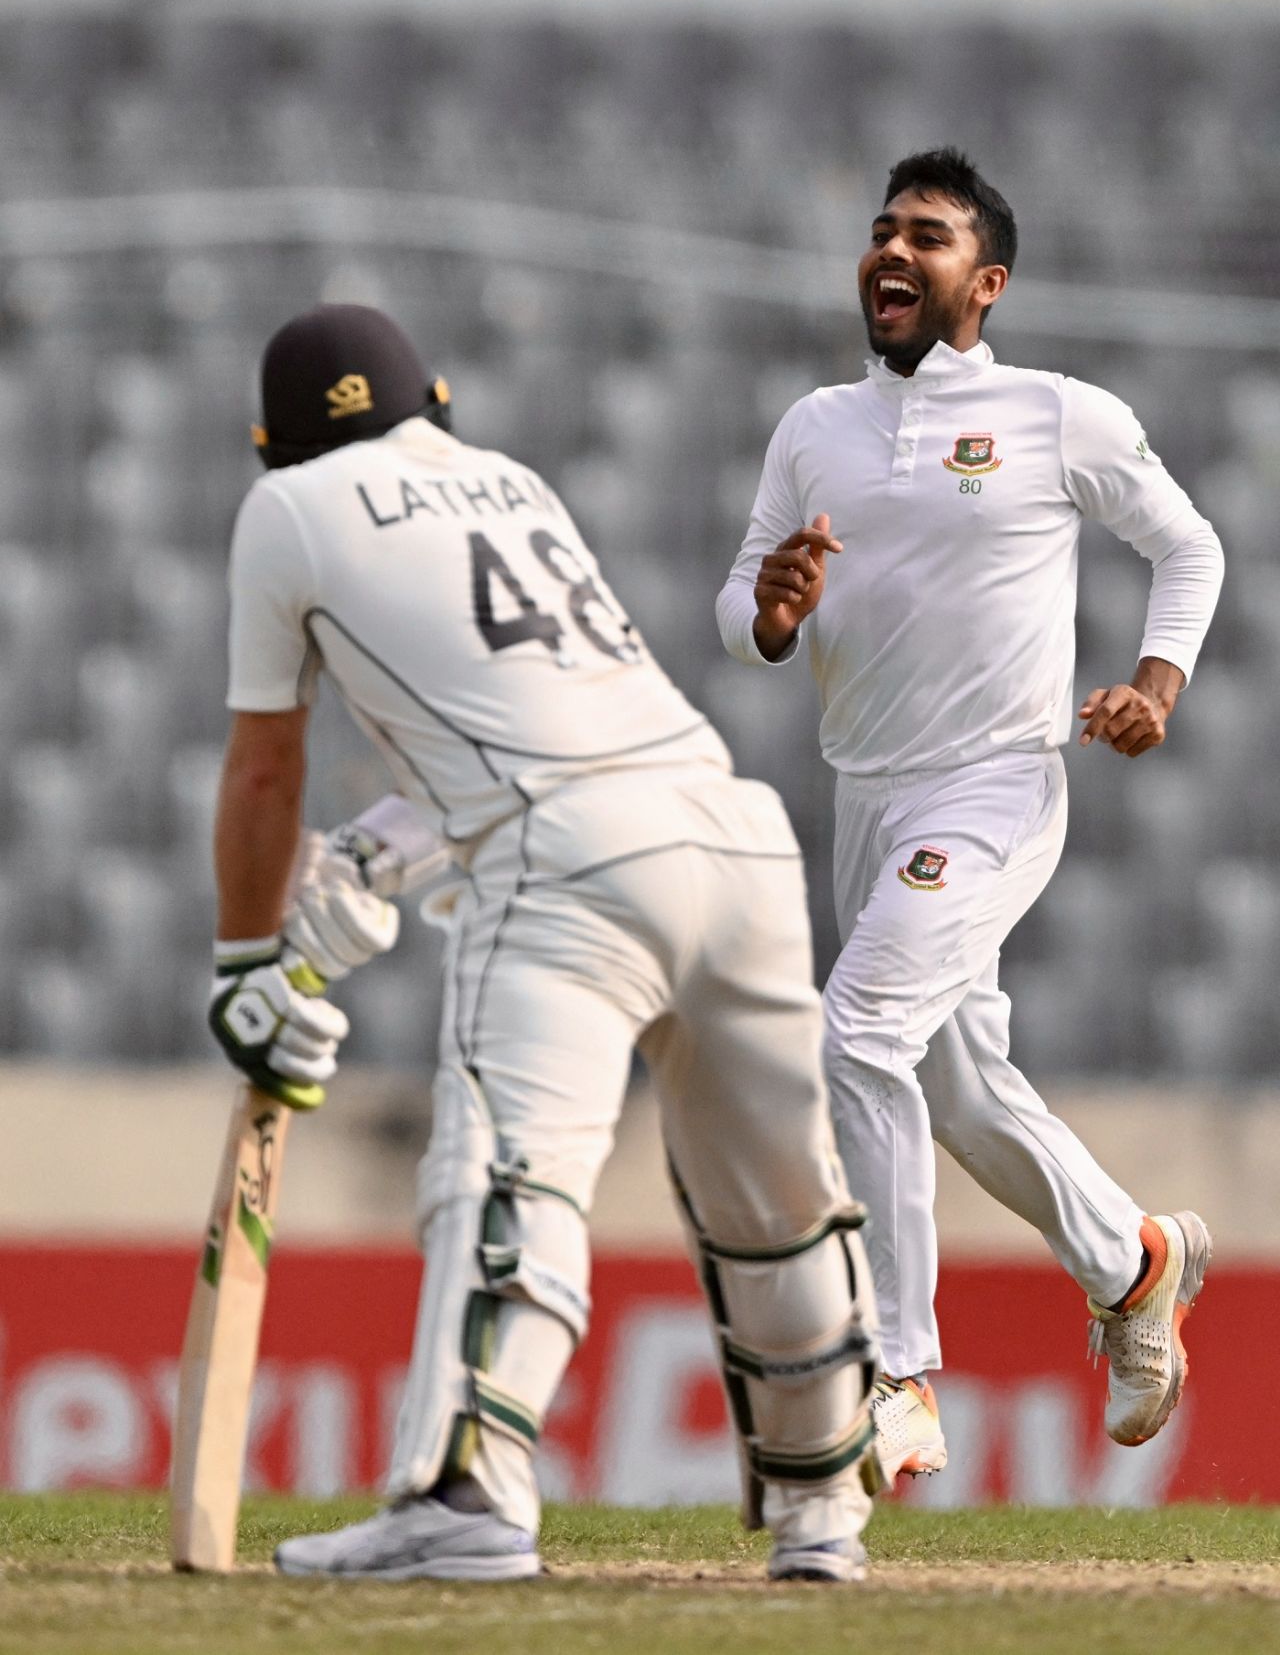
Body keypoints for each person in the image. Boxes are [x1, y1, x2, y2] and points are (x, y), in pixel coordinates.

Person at [206, 302, 881, 1584]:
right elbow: (549, 727)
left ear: (271, 441)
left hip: (565, 865)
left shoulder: (283, 510)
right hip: (727, 832)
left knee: (508, 1176)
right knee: (779, 1201)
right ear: (435, 404)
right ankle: (820, 1520)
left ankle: (466, 1493)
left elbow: (261, 768)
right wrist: (375, 856)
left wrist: (247, 963)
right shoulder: (507, 482)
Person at [716, 148, 1224, 1487]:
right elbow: (741, 597)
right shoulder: (813, 424)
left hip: (996, 781)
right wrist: (766, 613)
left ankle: (899, 1369)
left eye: (927, 236)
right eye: (882, 229)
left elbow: (1189, 545)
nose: (893, 250)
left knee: (861, 1026)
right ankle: (1137, 1259)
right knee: (950, 1082)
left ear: (984, 281)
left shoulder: (1056, 412)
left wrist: (1155, 683)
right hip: (866, 792)